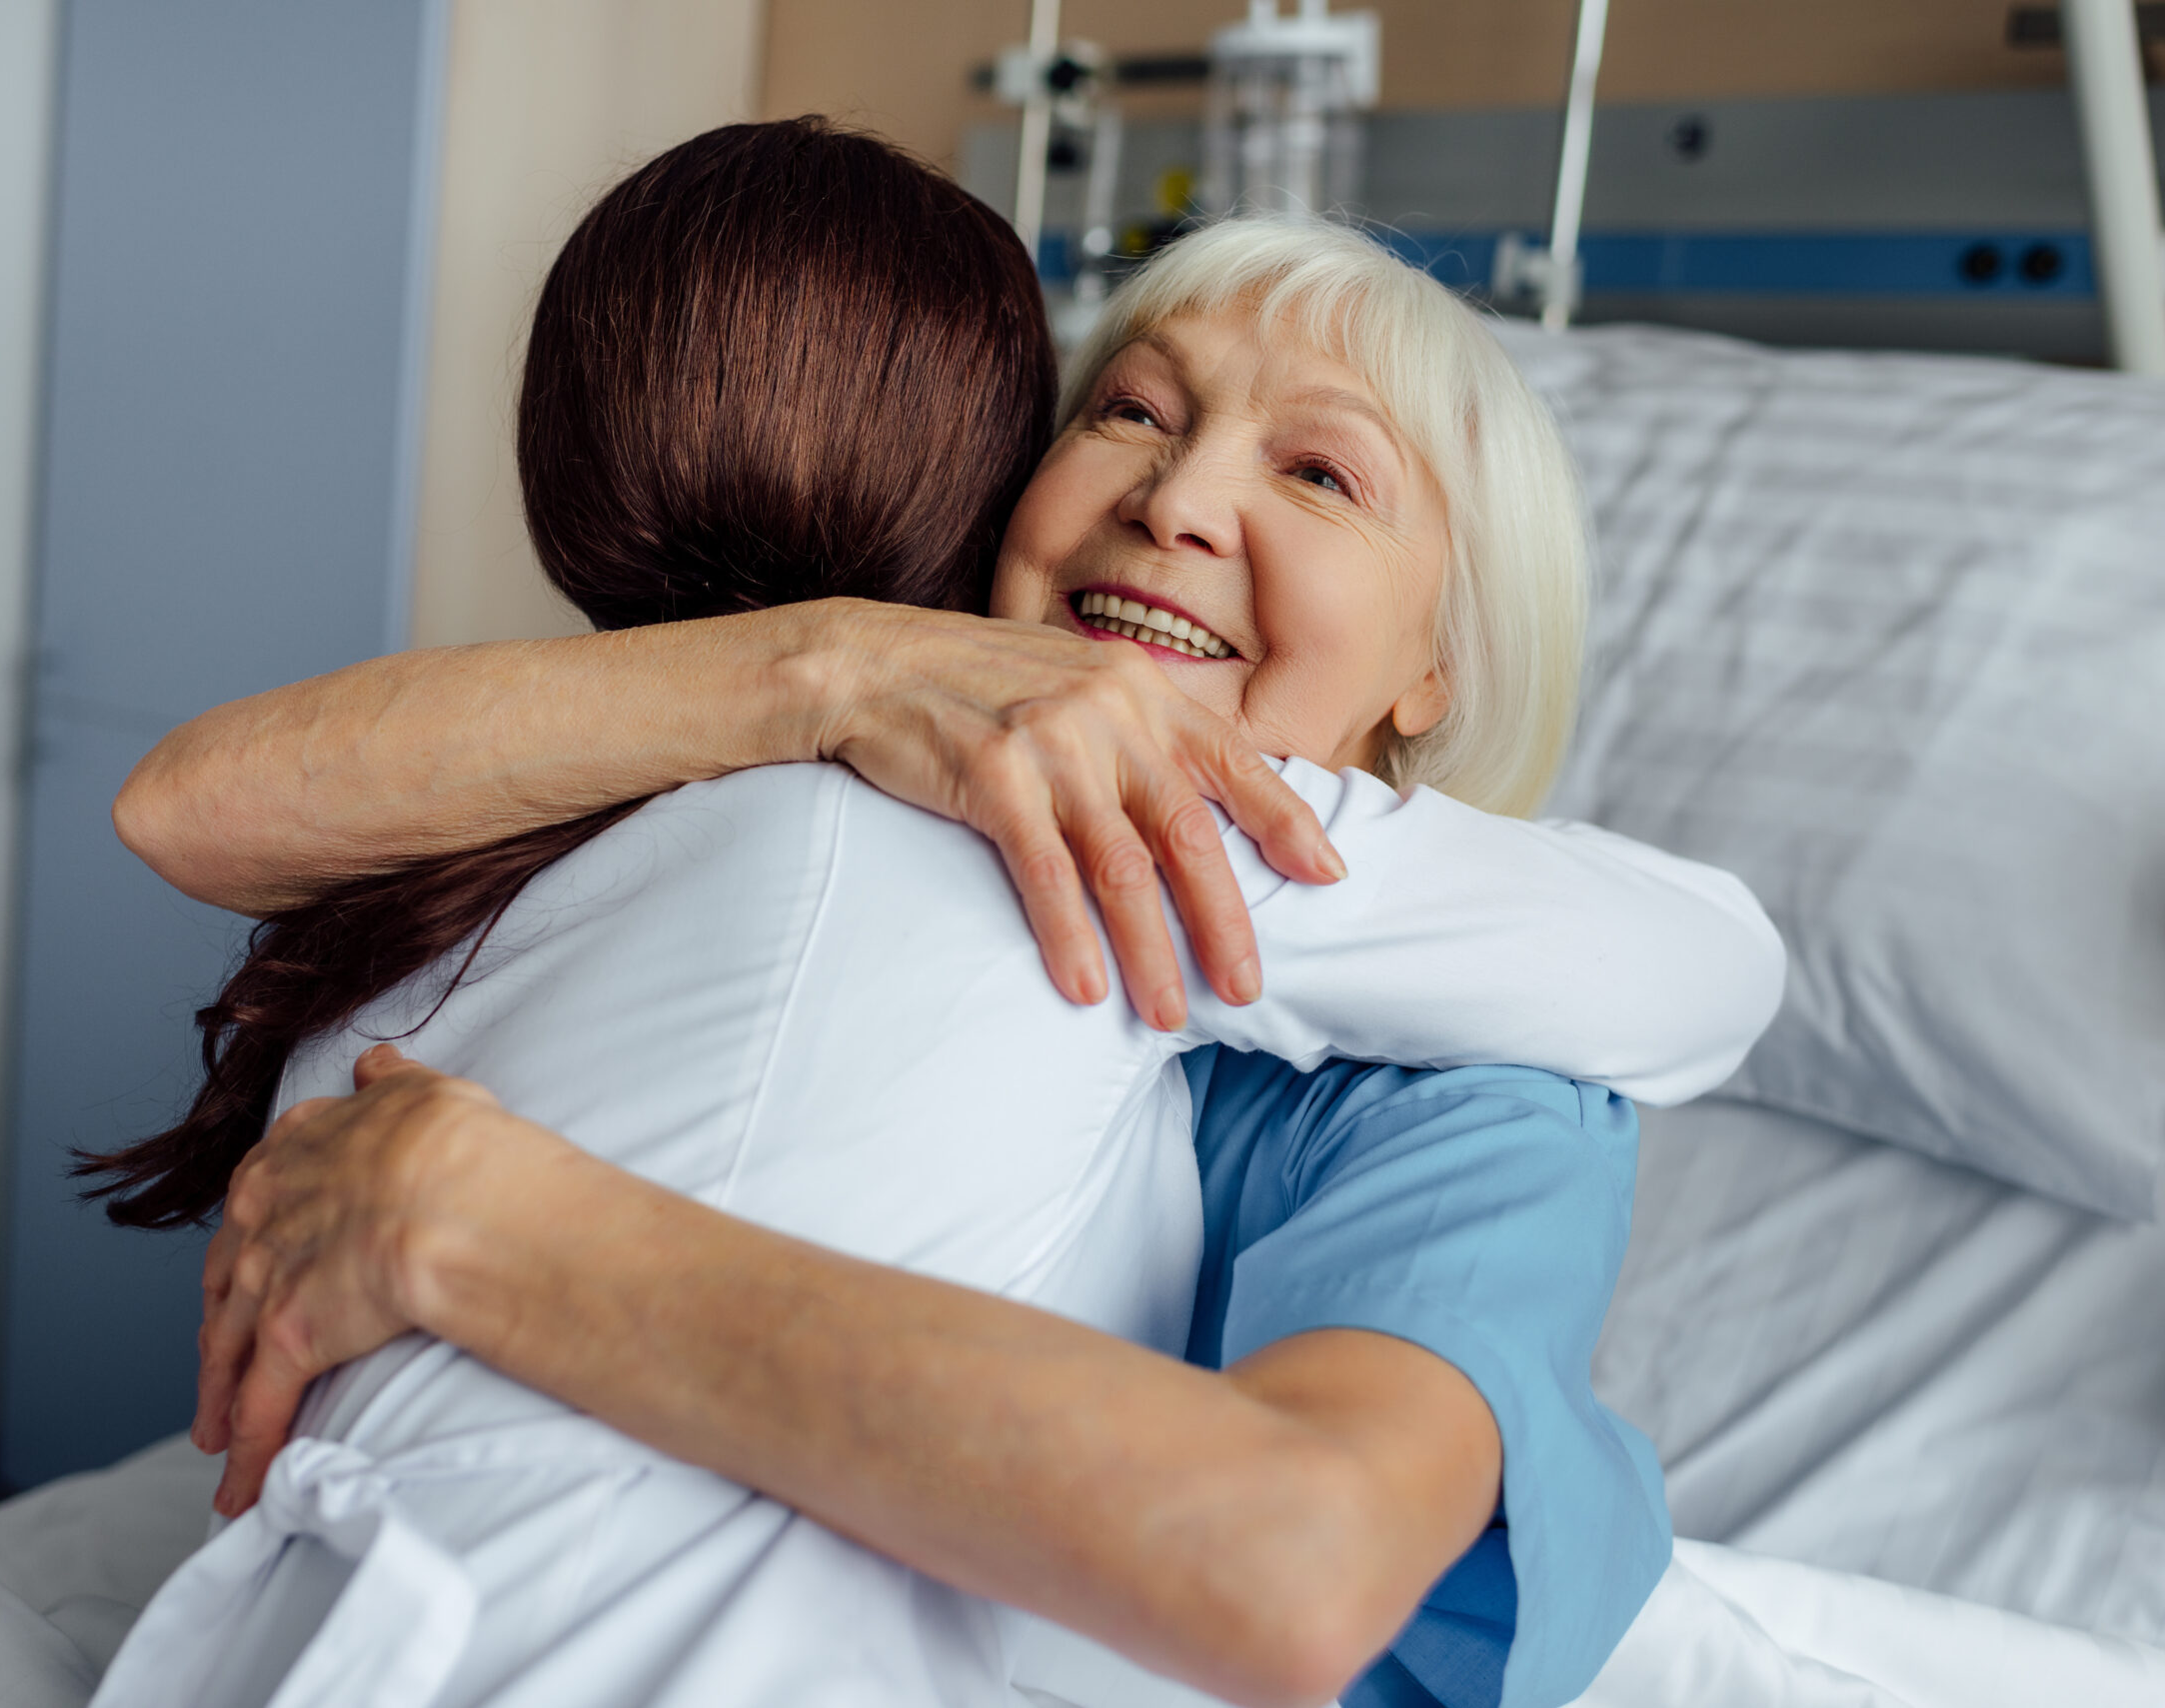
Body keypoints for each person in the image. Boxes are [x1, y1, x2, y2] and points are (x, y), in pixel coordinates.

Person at [107, 124, 1781, 1708]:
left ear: (1440, 670)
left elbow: (1293, 1555)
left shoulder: (1462, 1094)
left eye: (1323, 474)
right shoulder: (782, 780)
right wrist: (845, 664)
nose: (1177, 499)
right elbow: (188, 803)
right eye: (1129, 410)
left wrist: (491, 1227)